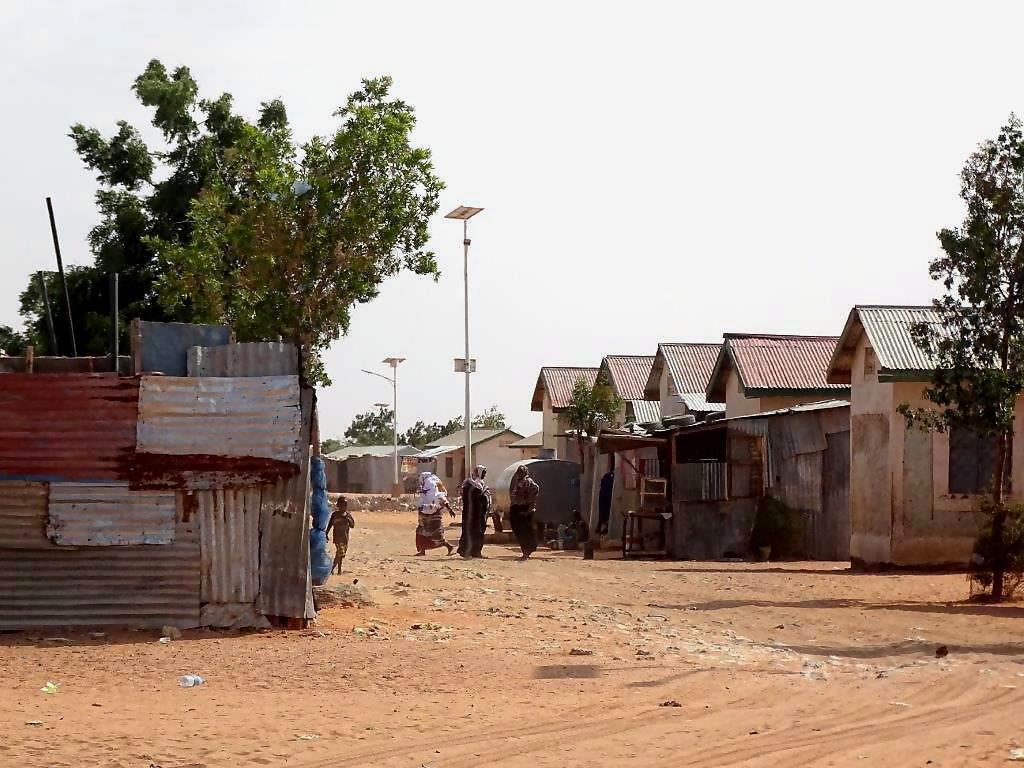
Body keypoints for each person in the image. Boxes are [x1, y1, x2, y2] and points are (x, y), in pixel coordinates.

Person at [415, 472, 455, 556]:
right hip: (424, 514)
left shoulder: (432, 486)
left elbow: (440, 498)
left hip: (434, 514)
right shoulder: (425, 487)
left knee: (435, 534)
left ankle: (449, 546)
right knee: (420, 531)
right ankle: (422, 551)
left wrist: (449, 509)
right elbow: (423, 498)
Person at [509, 465, 540, 561]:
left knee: (525, 532)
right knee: (519, 532)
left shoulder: (528, 481)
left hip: (524, 509)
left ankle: (526, 552)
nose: (520, 473)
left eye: (521, 472)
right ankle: (525, 552)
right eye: (519, 472)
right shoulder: (519, 482)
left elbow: (535, 489)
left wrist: (530, 503)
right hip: (517, 509)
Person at [459, 465, 491, 558]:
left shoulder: (477, 484)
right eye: (483, 473)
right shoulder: (471, 484)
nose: (484, 475)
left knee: (476, 531)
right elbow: (475, 498)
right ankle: (472, 551)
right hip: (473, 513)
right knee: (474, 531)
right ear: (479, 473)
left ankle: (473, 551)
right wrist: (484, 493)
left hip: (478, 513)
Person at [327, 496, 355, 574]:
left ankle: (334, 569)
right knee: (340, 552)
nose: (343, 507)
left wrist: (348, 519)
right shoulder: (335, 515)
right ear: (338, 505)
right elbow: (330, 524)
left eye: (345, 505)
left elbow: (352, 525)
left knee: (340, 554)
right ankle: (335, 569)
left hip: (345, 538)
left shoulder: (348, 515)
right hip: (337, 538)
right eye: (342, 505)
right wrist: (326, 533)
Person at [598, 470, 614, 535]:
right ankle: (603, 529)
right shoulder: (609, 477)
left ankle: (602, 528)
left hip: (605, 499)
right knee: (604, 514)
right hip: (606, 499)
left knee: (603, 514)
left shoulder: (607, 477)